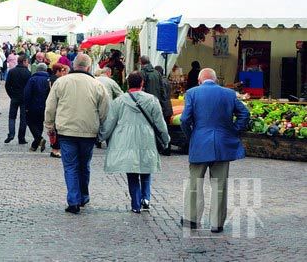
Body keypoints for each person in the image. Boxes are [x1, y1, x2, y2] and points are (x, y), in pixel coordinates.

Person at [180, 68, 250, 233]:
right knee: (220, 185)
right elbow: (244, 114)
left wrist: (191, 135)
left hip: (199, 142)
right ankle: (216, 223)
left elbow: (184, 119)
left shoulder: (192, 93)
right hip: (222, 144)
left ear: (199, 80)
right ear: (216, 80)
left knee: (194, 182)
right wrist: (233, 129)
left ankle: (192, 219)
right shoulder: (229, 93)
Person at [44, 53, 109, 214]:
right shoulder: (97, 85)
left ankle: (73, 200)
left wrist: (50, 126)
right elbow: (105, 110)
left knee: (70, 166)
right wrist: (100, 127)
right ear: (88, 67)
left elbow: (50, 106)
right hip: (88, 131)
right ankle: (83, 196)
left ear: (73, 65)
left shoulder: (61, 82)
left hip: (66, 130)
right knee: (84, 164)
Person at [99, 71, 170, 213]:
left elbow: (110, 122)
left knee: (131, 173)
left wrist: (101, 136)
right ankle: (146, 198)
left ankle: (135, 203)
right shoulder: (152, 100)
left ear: (128, 84)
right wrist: (165, 138)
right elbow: (159, 123)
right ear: (142, 83)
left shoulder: (119, 101)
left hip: (125, 140)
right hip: (146, 138)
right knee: (146, 168)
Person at [4, 55, 31, 144]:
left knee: (12, 116)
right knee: (24, 118)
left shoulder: (12, 71)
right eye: (27, 62)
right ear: (24, 62)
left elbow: (7, 85)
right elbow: (29, 87)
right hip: (24, 98)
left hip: (14, 97)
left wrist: (11, 95)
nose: (28, 63)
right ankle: (21, 138)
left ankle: (11, 134)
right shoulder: (27, 72)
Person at [23, 63, 50, 152]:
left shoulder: (32, 79)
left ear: (37, 70)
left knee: (30, 122)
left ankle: (39, 139)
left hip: (33, 106)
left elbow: (27, 93)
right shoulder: (48, 80)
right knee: (39, 123)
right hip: (45, 106)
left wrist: (26, 106)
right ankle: (35, 145)